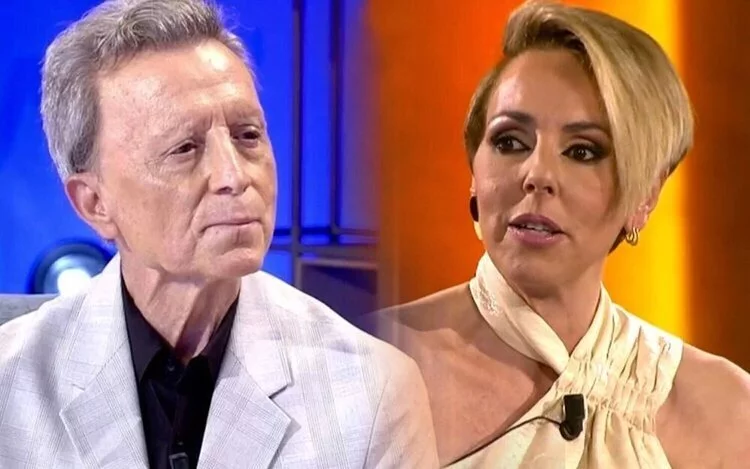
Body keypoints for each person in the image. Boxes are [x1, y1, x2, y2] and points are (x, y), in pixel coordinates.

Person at [0, 1, 438, 468]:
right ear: (94, 203)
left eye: (247, 136)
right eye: (184, 148)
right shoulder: (11, 386)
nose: (234, 176)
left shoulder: (371, 392)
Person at [371, 1, 750, 467]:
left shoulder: (726, 412)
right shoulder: (367, 364)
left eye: (582, 151)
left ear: (644, 196)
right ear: (474, 172)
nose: (537, 175)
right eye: (510, 142)